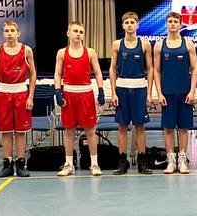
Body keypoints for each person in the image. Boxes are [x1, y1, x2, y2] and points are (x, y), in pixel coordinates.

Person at [52, 22, 107, 177]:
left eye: (81, 32)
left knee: (91, 131)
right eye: (75, 31)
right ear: (68, 33)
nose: (78, 34)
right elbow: (57, 74)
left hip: (86, 94)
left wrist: (101, 90)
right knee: (69, 131)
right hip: (69, 94)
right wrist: (58, 91)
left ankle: (94, 164)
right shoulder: (62, 53)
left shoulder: (90, 52)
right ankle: (69, 164)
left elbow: (98, 73)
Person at [0, 20, 37, 178]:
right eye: (7, 31)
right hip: (3, 93)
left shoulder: (26, 50)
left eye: (12, 30)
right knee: (6, 131)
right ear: (3, 34)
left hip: (21, 93)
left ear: (18, 33)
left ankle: (21, 163)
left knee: (21, 131)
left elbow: (33, 74)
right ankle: (7, 164)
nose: (9, 33)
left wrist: (30, 96)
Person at [155, 11, 197, 174]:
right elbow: (156, 71)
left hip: (184, 92)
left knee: (183, 128)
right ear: (166, 24)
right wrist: (159, 93)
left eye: (175, 21)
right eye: (170, 21)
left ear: (180, 25)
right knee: (168, 128)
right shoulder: (159, 45)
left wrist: (192, 91)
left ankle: (182, 159)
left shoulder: (188, 44)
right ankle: (171, 160)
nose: (173, 24)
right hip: (167, 93)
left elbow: (195, 69)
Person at [110, 11, 152, 175]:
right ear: (122, 25)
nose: (129, 25)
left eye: (132, 22)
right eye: (126, 22)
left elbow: (150, 69)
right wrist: (114, 92)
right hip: (122, 88)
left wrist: (149, 93)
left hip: (139, 88)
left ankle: (142, 161)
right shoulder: (116, 44)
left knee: (140, 126)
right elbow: (112, 69)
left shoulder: (145, 44)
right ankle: (122, 161)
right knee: (122, 126)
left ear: (137, 25)